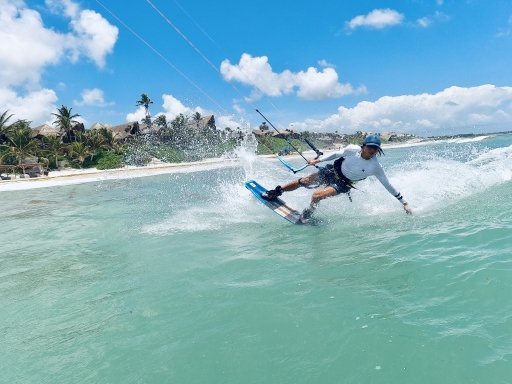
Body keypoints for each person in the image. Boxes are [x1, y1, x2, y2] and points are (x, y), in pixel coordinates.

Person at [262, 134, 412, 223]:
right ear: (364, 146)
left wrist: (403, 202)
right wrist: (318, 161)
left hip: (343, 184)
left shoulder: (375, 167)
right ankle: (277, 191)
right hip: (332, 171)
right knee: (304, 181)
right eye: (370, 147)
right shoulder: (352, 149)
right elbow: (335, 155)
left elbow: (388, 185)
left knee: (316, 196)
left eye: (375, 148)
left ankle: (308, 213)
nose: (372, 151)